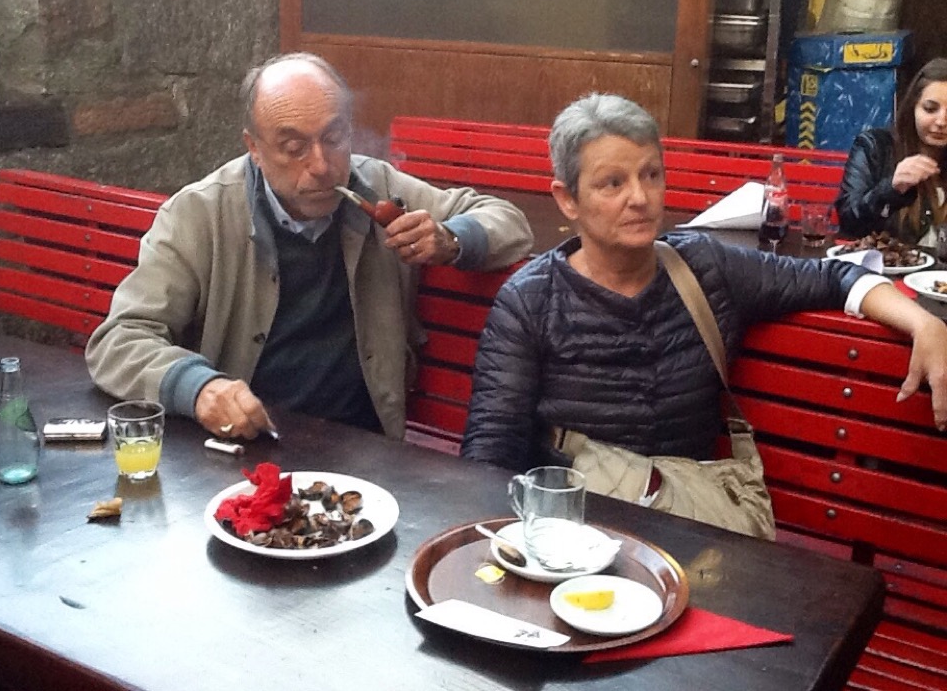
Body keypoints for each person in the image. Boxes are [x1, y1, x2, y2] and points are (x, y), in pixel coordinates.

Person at [460, 92, 947, 509]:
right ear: (567, 199)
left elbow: (834, 276)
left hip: (687, 521)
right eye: (613, 183)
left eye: (651, 174)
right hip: (571, 527)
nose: (640, 197)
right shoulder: (532, 299)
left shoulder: (703, 267)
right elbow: (490, 453)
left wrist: (926, 324)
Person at [85, 52, 533, 442]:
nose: (321, 165)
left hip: (366, 446)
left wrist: (450, 239)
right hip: (243, 444)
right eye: (293, 146)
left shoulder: (376, 187)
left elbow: (509, 222)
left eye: (334, 138)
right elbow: (118, 340)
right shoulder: (201, 213)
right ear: (254, 148)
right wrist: (199, 388)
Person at [835, 57, 947, 245]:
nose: (941, 121)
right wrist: (891, 189)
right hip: (885, 261)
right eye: (930, 109)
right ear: (913, 108)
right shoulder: (874, 146)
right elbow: (849, 223)